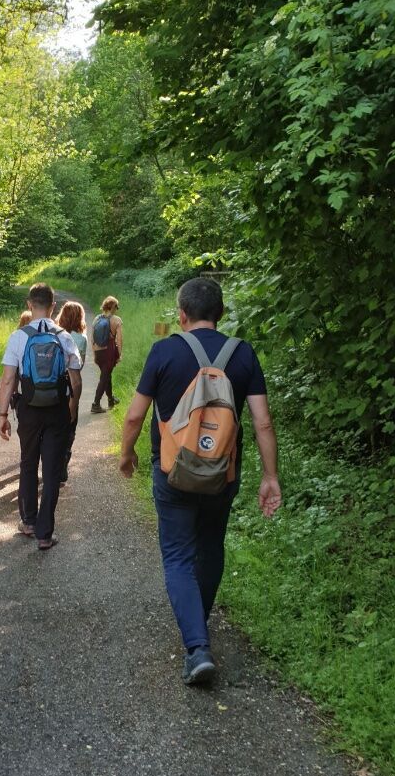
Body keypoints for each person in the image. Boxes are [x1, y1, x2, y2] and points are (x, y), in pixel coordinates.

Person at [118, 278, 282, 686]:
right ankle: (198, 630)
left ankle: (197, 646)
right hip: (221, 474)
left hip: (172, 473)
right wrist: (270, 476)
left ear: (182, 314)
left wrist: (127, 454)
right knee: (210, 547)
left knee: (177, 555)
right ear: (221, 314)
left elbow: (135, 415)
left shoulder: (164, 351)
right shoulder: (242, 354)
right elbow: (262, 421)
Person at [0, 283, 82, 550]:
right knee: (52, 469)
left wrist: (2, 414)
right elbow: (76, 381)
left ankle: (29, 522)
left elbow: (8, 379)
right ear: (53, 305)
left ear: (29, 304)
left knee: (28, 463)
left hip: (29, 409)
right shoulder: (65, 337)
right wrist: (71, 407)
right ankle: (45, 534)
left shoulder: (18, 337)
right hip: (57, 409)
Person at [54, 301, 87, 485]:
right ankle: (63, 463)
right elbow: (80, 367)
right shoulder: (81, 339)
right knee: (69, 428)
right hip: (72, 389)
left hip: (53, 388)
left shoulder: (53, 334)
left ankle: (51, 462)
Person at [90, 295, 123, 413]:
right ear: (113, 307)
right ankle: (96, 404)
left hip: (98, 352)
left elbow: (92, 339)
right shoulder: (116, 320)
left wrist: (94, 354)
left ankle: (110, 399)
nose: (116, 309)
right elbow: (119, 339)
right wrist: (119, 354)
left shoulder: (96, 319)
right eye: (116, 307)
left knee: (106, 375)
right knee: (104, 377)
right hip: (109, 352)